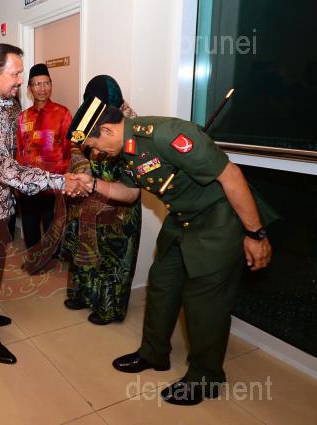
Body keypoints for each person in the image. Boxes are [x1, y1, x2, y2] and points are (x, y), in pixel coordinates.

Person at [67, 92, 277, 405]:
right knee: (161, 285)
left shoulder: (166, 135)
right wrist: (92, 184)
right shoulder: (126, 150)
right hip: (182, 221)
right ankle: (154, 354)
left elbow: (231, 175)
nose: (96, 154)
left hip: (218, 221)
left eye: (94, 146)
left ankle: (205, 378)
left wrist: (256, 234)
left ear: (108, 130)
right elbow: (129, 193)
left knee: (204, 304)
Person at [0, 43, 93, 365]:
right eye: (15, 73)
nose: (20, 80)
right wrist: (61, 181)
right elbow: (8, 169)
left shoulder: (3, 105)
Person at [62, 75, 142, 325]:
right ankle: (82, 296)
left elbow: (131, 172)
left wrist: (102, 177)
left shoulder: (130, 125)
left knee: (112, 257)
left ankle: (109, 309)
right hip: (87, 196)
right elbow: (76, 146)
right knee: (84, 249)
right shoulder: (87, 116)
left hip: (118, 202)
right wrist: (83, 170)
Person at [16, 63, 72, 268]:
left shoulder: (62, 113)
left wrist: (64, 178)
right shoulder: (23, 117)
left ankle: (48, 258)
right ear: (29, 88)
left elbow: (69, 149)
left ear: (51, 85)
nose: (42, 88)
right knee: (30, 224)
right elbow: (19, 149)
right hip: (29, 183)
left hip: (53, 184)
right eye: (37, 84)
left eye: (46, 83)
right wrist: (18, 181)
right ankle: (34, 257)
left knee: (51, 224)